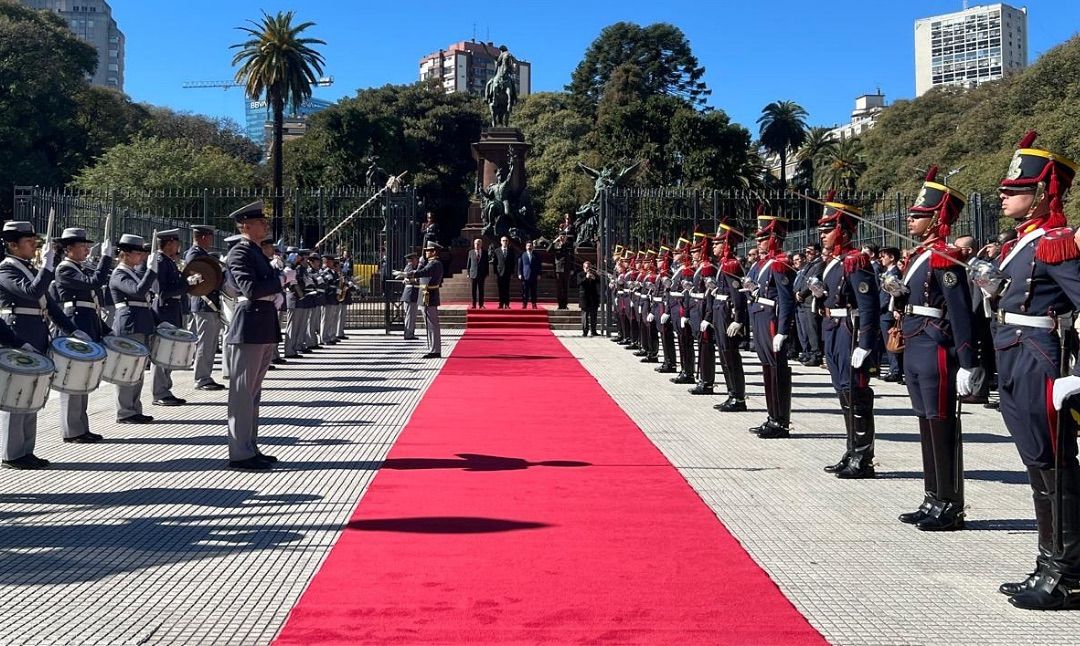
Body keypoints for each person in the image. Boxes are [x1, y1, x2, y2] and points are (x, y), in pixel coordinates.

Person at [989, 132, 1080, 610]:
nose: (1003, 195)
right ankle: (1048, 563)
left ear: (1043, 193)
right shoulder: (1020, 244)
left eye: (1014, 189)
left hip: (1039, 356)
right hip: (1013, 352)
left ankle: (1068, 575)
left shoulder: (1054, 242)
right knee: (1036, 463)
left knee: (1055, 465)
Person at [889, 165, 978, 532]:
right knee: (925, 422)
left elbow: (960, 312)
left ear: (936, 219)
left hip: (934, 343)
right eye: (911, 214)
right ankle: (932, 497)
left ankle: (950, 504)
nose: (910, 219)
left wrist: (968, 362)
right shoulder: (919, 256)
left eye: (919, 215)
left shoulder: (945, 256)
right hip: (915, 339)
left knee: (941, 423)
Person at [0, 221, 80, 469]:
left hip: (36, 335)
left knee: (33, 394)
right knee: (16, 395)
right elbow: (32, 292)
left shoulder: (29, 268)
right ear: (13, 245)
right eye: (28, 241)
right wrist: (47, 267)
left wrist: (73, 330)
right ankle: (12, 453)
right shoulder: (6, 270)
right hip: (17, 335)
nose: (35, 244)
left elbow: (50, 306)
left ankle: (26, 450)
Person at [224, 201, 295, 471]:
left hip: (262, 322)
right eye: (260, 222)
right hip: (250, 323)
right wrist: (280, 281)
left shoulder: (255, 251)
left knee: (253, 392)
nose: (266, 225)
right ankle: (239, 452)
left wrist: (278, 281)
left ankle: (250, 446)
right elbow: (250, 289)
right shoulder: (239, 253)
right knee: (242, 393)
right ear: (245, 225)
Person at [816, 193, 881, 479]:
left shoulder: (855, 260)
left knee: (856, 393)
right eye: (821, 230)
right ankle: (851, 450)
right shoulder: (834, 261)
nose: (822, 235)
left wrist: (865, 344)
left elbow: (868, 306)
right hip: (833, 328)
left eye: (828, 229)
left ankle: (863, 457)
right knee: (844, 393)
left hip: (849, 331)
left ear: (842, 230)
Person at [51, 227, 114, 443]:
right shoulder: (64, 269)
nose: (87, 250)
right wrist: (106, 258)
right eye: (82, 246)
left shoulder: (80, 268)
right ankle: (72, 430)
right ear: (69, 249)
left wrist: (106, 330)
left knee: (83, 379)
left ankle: (81, 427)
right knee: (72, 379)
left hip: (88, 324)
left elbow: (92, 305)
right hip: (75, 324)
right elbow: (94, 283)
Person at [747, 207, 797, 439]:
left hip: (772, 321)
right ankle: (772, 416)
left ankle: (781, 421)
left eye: (763, 238)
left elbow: (786, 300)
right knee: (767, 368)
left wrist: (783, 331)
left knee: (777, 369)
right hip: (760, 316)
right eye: (758, 238)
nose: (758, 242)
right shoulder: (761, 264)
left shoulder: (780, 262)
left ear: (774, 238)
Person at [109, 233, 158, 424]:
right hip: (129, 326)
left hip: (141, 324)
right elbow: (138, 291)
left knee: (137, 371)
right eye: (138, 253)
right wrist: (151, 271)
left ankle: (134, 408)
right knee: (127, 370)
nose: (142, 256)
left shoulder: (132, 273)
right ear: (126, 254)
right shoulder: (119, 274)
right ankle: (125, 411)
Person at [711, 223, 749, 413]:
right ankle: (731, 393)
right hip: (720, 311)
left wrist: (738, 319)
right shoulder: (723, 264)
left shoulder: (731, 264)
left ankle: (738, 397)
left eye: (717, 243)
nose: (713, 246)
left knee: (731, 355)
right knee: (724, 356)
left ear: (726, 244)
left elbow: (738, 295)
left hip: (727, 314)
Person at [184, 225, 225, 390]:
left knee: (210, 343)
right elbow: (198, 277)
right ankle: (201, 378)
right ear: (203, 237)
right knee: (205, 342)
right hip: (204, 301)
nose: (211, 240)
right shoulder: (195, 254)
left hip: (209, 303)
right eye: (210, 237)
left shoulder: (202, 254)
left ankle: (205, 376)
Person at [149, 230, 187, 407]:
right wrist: (186, 286)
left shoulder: (168, 261)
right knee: (162, 352)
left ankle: (165, 389)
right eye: (176, 242)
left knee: (169, 353)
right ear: (169, 243)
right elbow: (162, 291)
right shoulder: (159, 261)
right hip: (163, 310)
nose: (178, 246)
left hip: (171, 310)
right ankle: (159, 392)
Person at [405, 241, 443, 358]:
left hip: (428, 296)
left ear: (434, 252)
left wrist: (409, 272)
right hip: (428, 295)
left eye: (428, 251)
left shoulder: (434, 263)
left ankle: (434, 350)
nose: (426, 252)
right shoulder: (432, 263)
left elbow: (423, 273)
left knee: (431, 324)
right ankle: (433, 349)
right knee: (430, 324)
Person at [878, 247, 904, 383]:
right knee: (887, 342)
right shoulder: (887, 272)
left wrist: (881, 307)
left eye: (884, 256)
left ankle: (895, 370)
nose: (881, 259)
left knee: (892, 342)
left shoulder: (895, 273)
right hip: (884, 312)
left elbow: (891, 294)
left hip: (888, 312)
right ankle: (893, 368)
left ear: (892, 258)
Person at [400, 252, 420, 340]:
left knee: (412, 316)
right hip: (410, 294)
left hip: (412, 294)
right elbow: (410, 279)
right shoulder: (409, 268)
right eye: (416, 259)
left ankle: (410, 333)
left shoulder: (412, 268)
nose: (417, 260)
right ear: (412, 260)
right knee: (410, 316)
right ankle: (408, 334)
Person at [491, 236, 515, 309]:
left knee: (507, 289)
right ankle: (501, 303)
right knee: (500, 289)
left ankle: (507, 304)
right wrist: (495, 272)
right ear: (501, 242)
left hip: (508, 273)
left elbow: (513, 263)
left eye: (506, 241)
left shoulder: (511, 251)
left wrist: (512, 273)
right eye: (503, 240)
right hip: (499, 273)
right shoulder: (497, 251)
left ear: (508, 242)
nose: (505, 242)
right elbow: (495, 262)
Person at [578, 260, 600, 336]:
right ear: (583, 268)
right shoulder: (580, 274)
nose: (588, 269)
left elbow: (599, 282)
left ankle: (594, 331)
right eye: (587, 268)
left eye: (590, 268)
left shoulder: (594, 274)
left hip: (593, 298)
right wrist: (586, 278)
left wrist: (595, 278)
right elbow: (579, 283)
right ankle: (585, 331)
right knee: (585, 316)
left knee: (594, 315)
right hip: (584, 298)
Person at [517, 240, 541, 309]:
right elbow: (520, 265)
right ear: (525, 247)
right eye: (528, 246)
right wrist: (519, 274)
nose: (529, 247)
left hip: (534, 276)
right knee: (525, 291)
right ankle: (524, 304)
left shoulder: (536, 255)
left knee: (534, 291)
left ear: (532, 247)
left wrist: (539, 274)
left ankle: (534, 304)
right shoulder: (522, 254)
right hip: (525, 276)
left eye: (530, 246)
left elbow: (539, 265)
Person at [466, 238, 488, 309]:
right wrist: (468, 273)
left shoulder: (485, 252)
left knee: (481, 290)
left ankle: (481, 304)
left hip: (482, 274)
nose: (477, 245)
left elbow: (486, 264)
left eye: (478, 244)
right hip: (473, 274)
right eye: (475, 243)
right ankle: (474, 304)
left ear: (481, 244)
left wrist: (486, 273)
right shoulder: (471, 252)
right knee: (473, 290)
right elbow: (468, 264)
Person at [553, 234, 574, 310]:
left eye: (564, 237)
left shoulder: (569, 245)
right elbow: (548, 250)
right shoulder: (556, 245)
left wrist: (572, 268)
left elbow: (572, 257)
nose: (562, 238)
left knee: (565, 288)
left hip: (566, 269)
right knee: (559, 288)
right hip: (558, 269)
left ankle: (565, 305)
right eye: (561, 236)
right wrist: (555, 241)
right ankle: (560, 304)